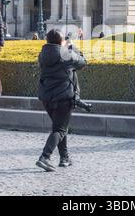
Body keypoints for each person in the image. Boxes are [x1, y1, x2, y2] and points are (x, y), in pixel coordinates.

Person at [36, 29, 87, 172]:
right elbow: (83, 62)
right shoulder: (65, 53)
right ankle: (45, 157)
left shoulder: (42, 54)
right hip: (63, 96)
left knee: (59, 127)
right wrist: (73, 47)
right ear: (61, 41)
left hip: (46, 96)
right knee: (60, 129)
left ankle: (64, 158)